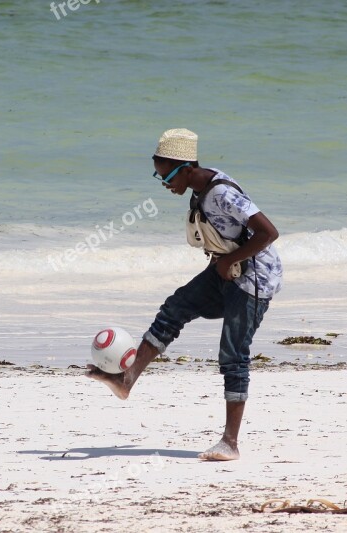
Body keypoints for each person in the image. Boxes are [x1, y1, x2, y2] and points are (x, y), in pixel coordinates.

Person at [87, 128, 283, 461]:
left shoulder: (221, 193)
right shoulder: (198, 189)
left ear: (187, 167)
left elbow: (269, 232)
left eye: (167, 176)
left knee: (233, 354)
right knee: (174, 309)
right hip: (225, 270)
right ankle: (126, 380)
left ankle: (230, 444)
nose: (164, 183)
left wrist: (231, 262)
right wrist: (223, 263)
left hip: (253, 278)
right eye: (159, 175)